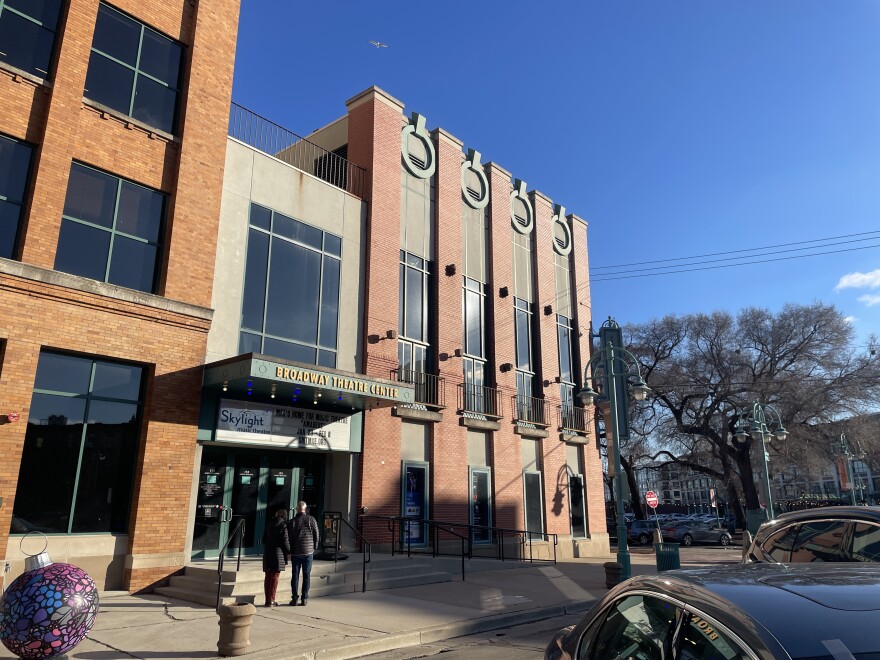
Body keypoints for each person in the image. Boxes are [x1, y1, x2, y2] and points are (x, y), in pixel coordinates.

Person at [287, 500, 319, 606]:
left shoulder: (292, 521)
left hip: (296, 552)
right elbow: (316, 534)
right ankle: (304, 598)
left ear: (297, 509)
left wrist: (289, 551)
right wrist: (315, 546)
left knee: (295, 575)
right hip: (308, 552)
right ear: (305, 509)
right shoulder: (311, 519)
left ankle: (294, 598)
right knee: (306, 575)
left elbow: (289, 538)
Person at [262, 508, 290, 607]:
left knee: (268, 576)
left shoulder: (269, 524)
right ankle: (272, 600)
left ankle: (267, 600)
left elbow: (263, 540)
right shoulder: (283, 526)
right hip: (278, 554)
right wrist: (289, 551)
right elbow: (285, 542)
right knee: (275, 577)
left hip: (268, 553)